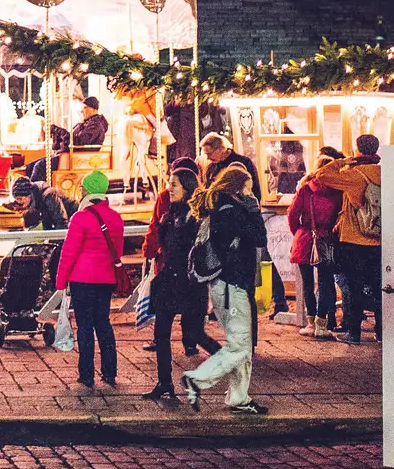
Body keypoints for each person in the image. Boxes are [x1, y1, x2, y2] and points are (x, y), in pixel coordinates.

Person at [180, 163, 270, 415]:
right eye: (248, 189)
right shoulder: (231, 212)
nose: (251, 194)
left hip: (231, 285)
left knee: (242, 345)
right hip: (232, 286)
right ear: (237, 188)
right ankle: (197, 379)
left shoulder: (222, 208)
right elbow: (259, 238)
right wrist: (254, 212)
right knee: (239, 346)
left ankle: (239, 398)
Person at [144, 164, 220, 398]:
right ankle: (164, 382)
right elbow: (164, 245)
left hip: (190, 283)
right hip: (170, 280)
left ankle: (230, 361)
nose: (169, 188)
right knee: (161, 332)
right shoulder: (171, 215)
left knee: (195, 333)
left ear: (187, 187)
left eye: (174, 184)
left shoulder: (197, 217)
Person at [55, 181, 128, 388]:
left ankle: (86, 374)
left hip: (82, 279)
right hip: (106, 279)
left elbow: (69, 252)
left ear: (87, 190)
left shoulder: (81, 218)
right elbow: (118, 250)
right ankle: (110, 371)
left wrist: (61, 280)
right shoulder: (115, 217)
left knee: (85, 326)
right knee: (103, 323)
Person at [313, 134, 384, 343]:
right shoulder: (383, 172)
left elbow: (322, 175)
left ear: (358, 150)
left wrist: (343, 161)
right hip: (379, 239)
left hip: (354, 239)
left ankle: (354, 333)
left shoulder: (354, 175)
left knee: (353, 287)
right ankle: (381, 331)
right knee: (379, 286)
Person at [288, 146, 344, 336]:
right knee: (326, 283)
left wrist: (299, 232)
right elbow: (340, 216)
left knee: (307, 283)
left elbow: (292, 214)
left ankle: (310, 324)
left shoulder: (305, 189)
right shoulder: (337, 191)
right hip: (326, 239)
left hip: (305, 238)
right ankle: (322, 325)